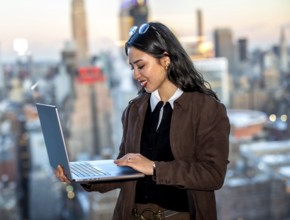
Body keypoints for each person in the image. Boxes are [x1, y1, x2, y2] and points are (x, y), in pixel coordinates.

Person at [55, 21, 230, 220]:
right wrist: (80, 176)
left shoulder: (206, 109)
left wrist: (155, 168)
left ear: (165, 60)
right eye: (132, 67)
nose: (135, 74)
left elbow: (213, 175)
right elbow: (125, 170)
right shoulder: (134, 110)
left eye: (141, 65)